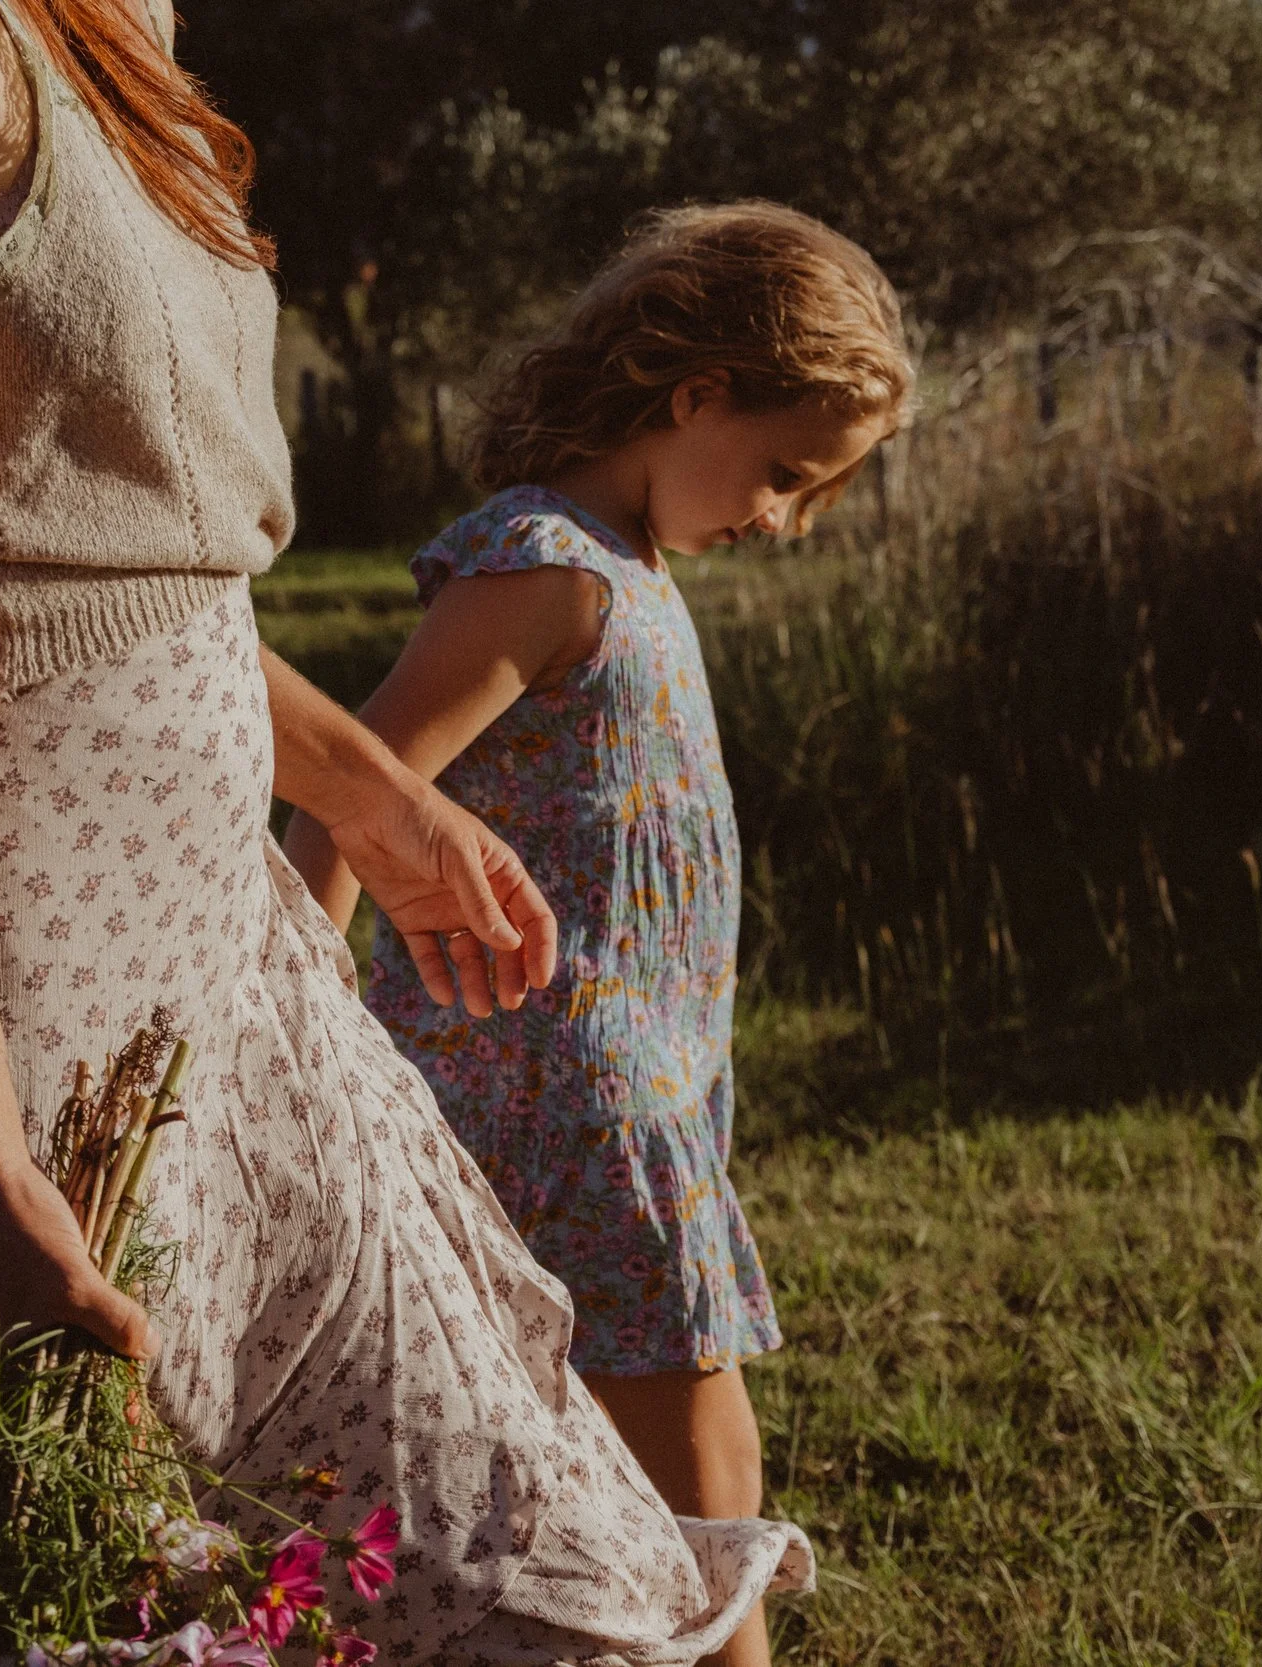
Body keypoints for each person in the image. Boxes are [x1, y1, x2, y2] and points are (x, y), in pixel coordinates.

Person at [0, 0, 812, 1657]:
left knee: (549, 1584)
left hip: (230, 1006)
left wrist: (373, 797)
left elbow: (127, 554)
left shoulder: (120, 24)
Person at [283, 204, 914, 1667]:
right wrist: (308, 1042)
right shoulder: (545, 560)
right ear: (695, 394)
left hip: (638, 1085)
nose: (781, 517)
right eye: (782, 472)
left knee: (631, 1462)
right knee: (698, 1456)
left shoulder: (627, 569)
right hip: (562, 1087)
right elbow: (350, 799)